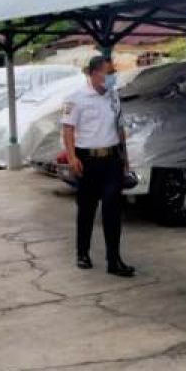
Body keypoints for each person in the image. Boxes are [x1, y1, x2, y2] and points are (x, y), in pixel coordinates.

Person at [60, 55, 134, 277]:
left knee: (113, 209)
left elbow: (120, 129)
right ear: (93, 73)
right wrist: (72, 158)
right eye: (107, 73)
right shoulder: (76, 98)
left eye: (113, 73)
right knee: (87, 209)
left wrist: (125, 159)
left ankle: (114, 260)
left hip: (112, 159)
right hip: (88, 160)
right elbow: (68, 129)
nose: (111, 78)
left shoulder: (113, 97)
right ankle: (82, 253)